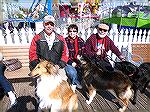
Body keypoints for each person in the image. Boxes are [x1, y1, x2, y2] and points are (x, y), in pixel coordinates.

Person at [29, 15, 82, 92]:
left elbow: (65, 54)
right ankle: (40, 100)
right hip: (42, 66)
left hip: (57, 66)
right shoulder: (37, 38)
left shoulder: (60, 38)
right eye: (47, 24)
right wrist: (39, 65)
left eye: (51, 24)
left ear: (54, 26)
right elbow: (32, 54)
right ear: (43, 24)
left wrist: (59, 65)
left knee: (62, 83)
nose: (49, 26)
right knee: (41, 86)